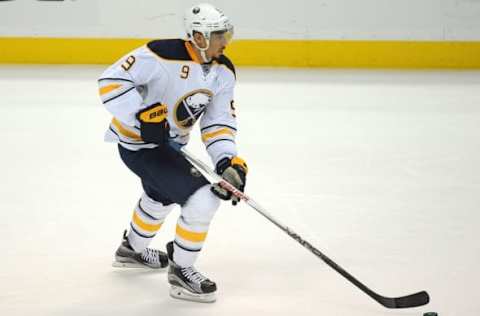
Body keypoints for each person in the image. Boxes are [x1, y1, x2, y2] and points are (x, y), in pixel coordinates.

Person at [97, 3, 248, 303]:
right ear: (199, 36)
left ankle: (132, 250)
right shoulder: (159, 54)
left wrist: (226, 160)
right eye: (218, 35)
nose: (225, 41)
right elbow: (111, 82)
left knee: (160, 195)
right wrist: (140, 116)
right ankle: (182, 270)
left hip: (169, 146)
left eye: (225, 34)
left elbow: (218, 122)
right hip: (138, 146)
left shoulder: (223, 71)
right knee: (202, 200)